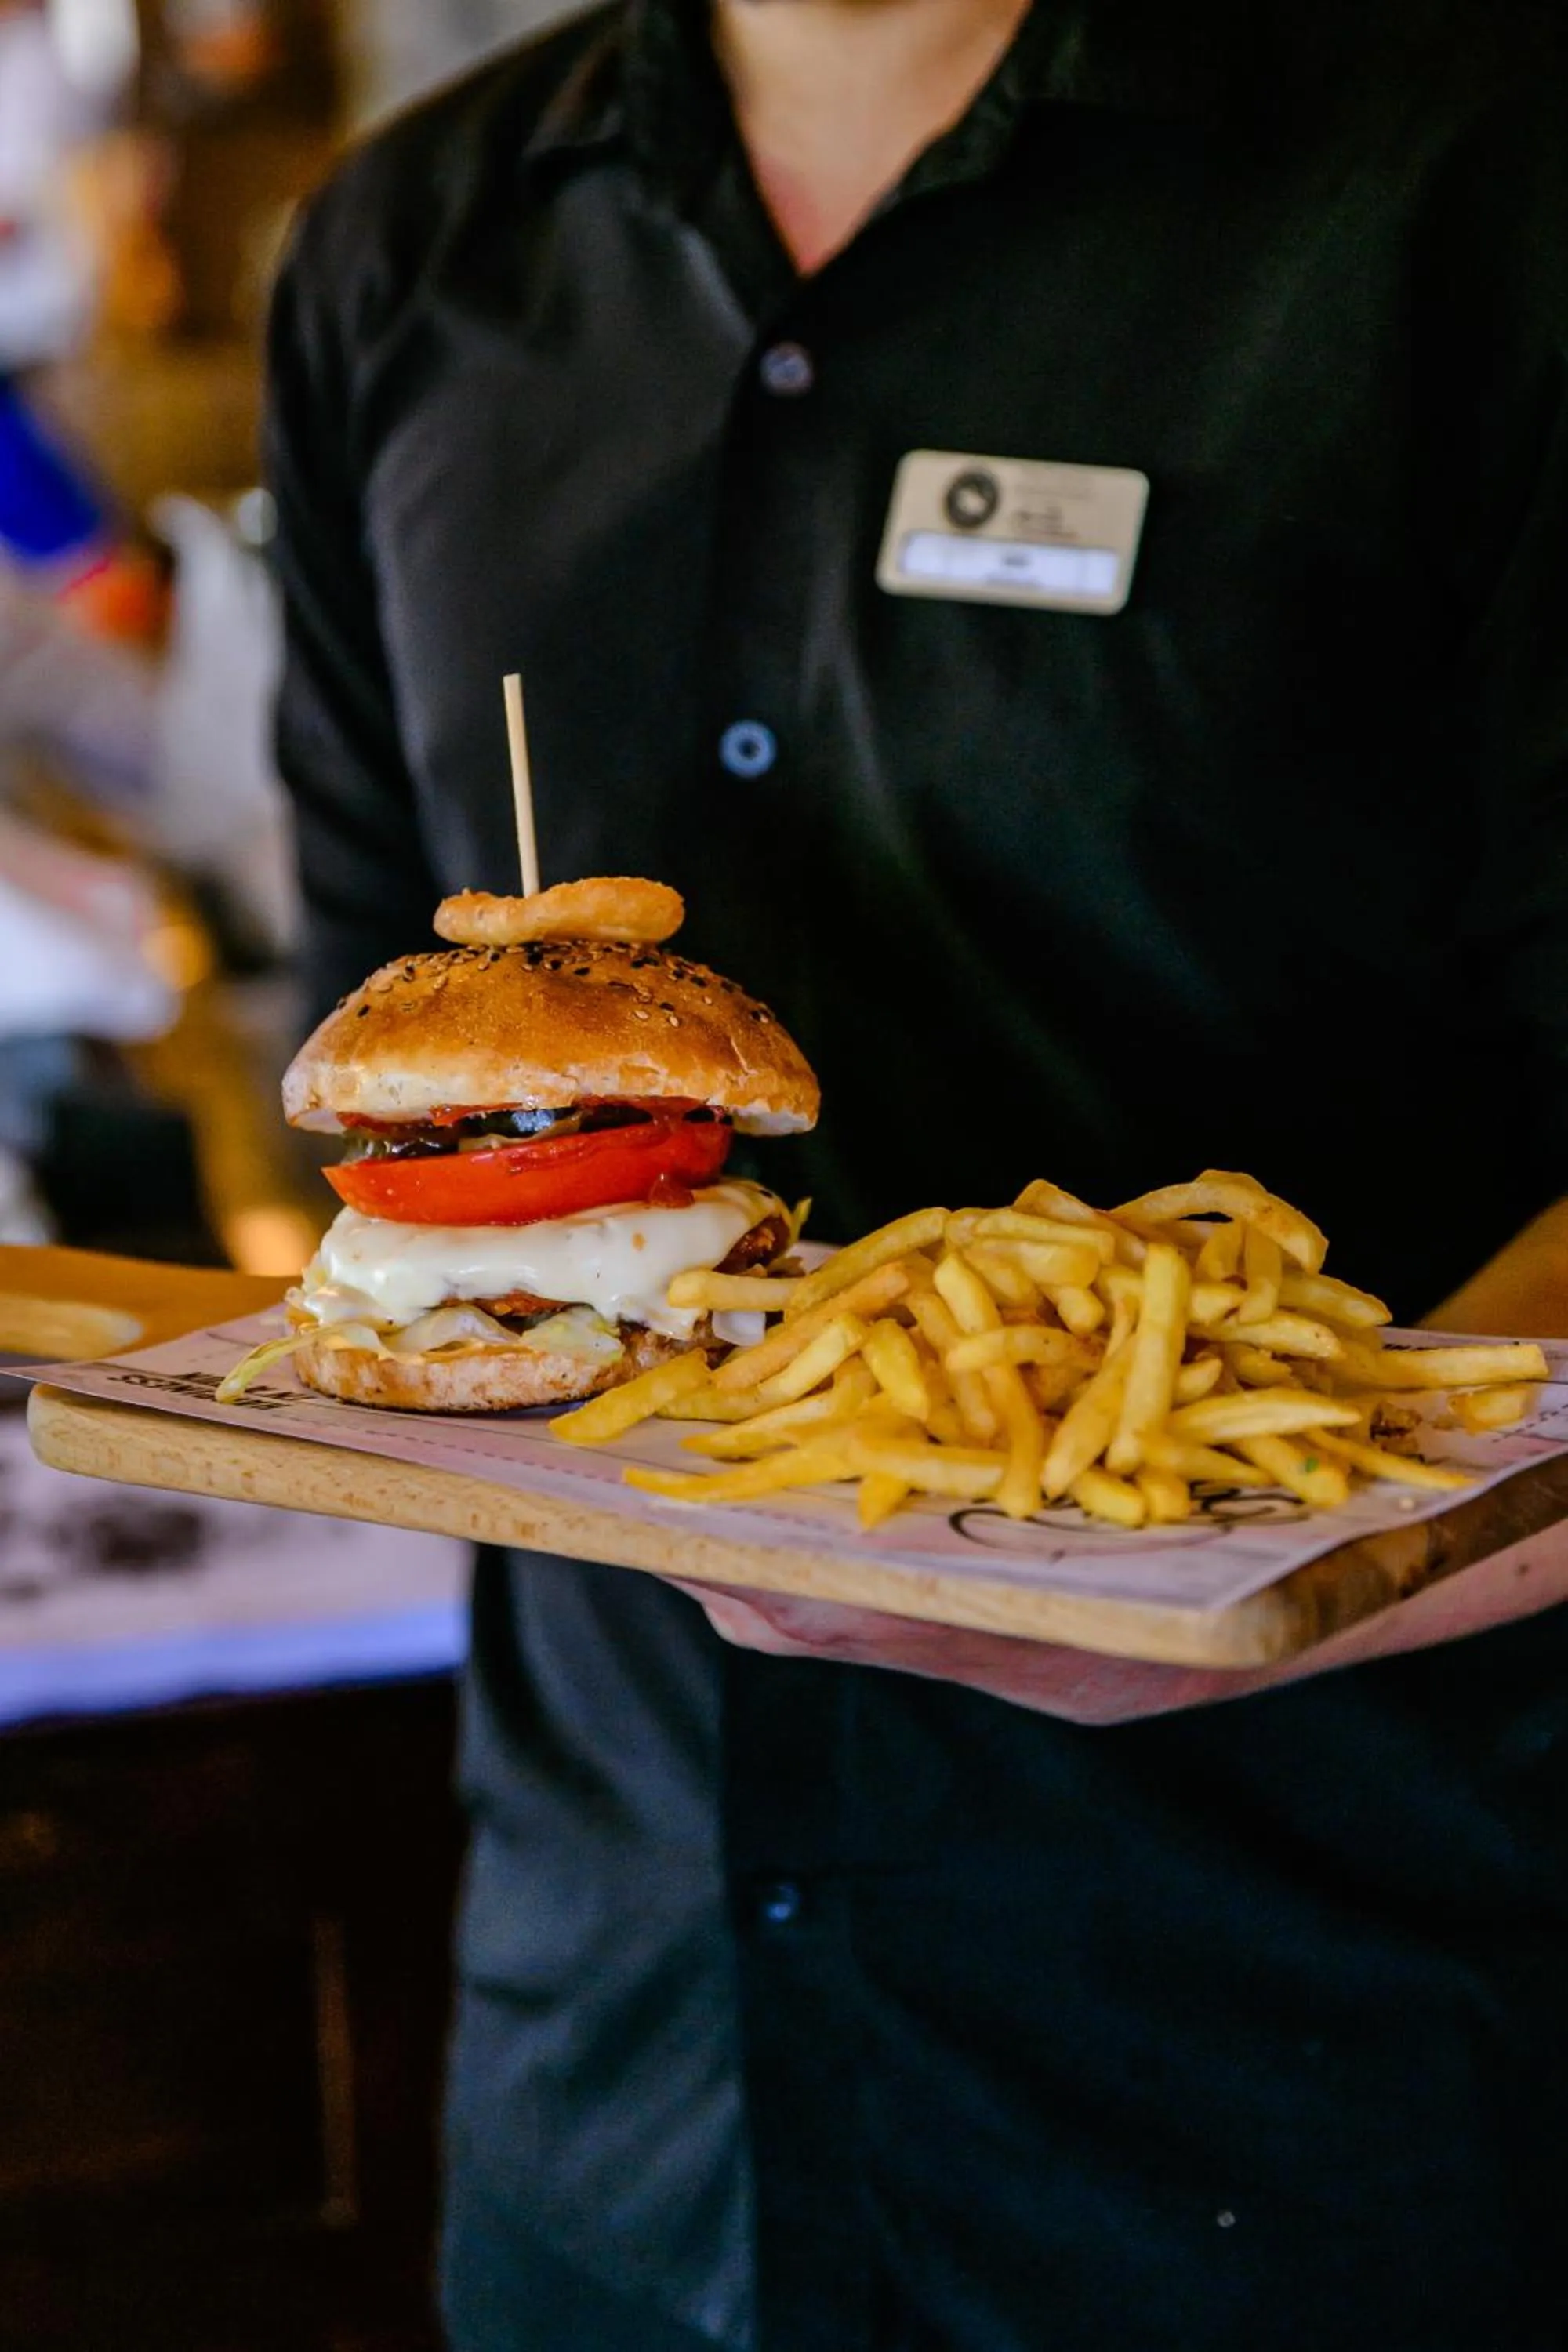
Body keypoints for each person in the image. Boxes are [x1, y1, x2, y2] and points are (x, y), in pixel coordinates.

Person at [264, 0, 1568, 2344]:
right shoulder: (396, 246)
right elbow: (348, 1023)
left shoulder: (1493, 186)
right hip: (617, 2089)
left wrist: (1305, 1580)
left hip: (1302, 2069)